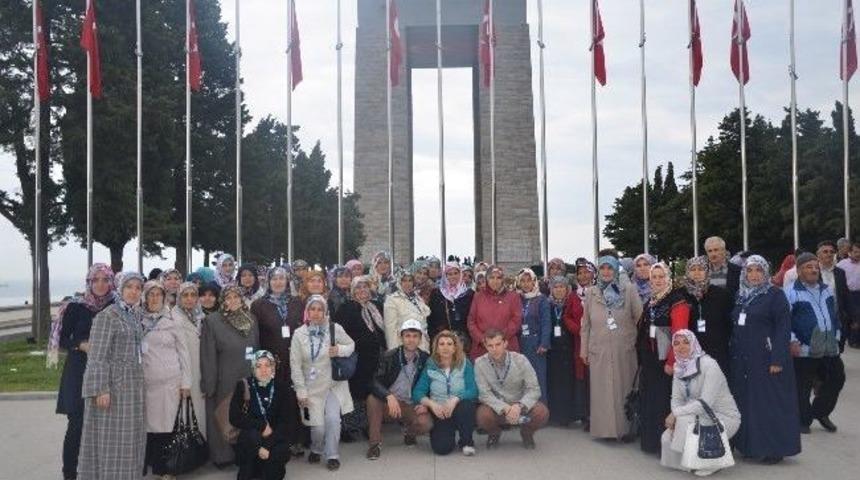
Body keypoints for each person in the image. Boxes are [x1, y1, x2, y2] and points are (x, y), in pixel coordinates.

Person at [728, 255, 801, 463]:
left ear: (766, 272)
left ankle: (773, 449)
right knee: (748, 403)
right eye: (749, 270)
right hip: (744, 360)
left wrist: (777, 359)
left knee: (769, 403)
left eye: (758, 270)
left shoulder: (775, 295)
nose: (754, 275)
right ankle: (749, 445)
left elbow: (783, 329)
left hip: (766, 358)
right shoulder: (740, 295)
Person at [78, 272, 147, 480]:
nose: (133, 292)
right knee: (112, 440)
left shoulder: (134, 315)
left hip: (132, 386)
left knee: (130, 439)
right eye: (129, 287)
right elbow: (97, 356)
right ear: (120, 289)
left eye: (138, 288)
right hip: (113, 387)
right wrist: (101, 389)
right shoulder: (107, 316)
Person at [54, 264, 115, 480]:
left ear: (111, 282)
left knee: (104, 425)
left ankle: (97, 470)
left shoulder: (116, 306)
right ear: (88, 282)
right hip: (78, 370)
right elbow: (62, 339)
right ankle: (70, 473)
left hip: (106, 371)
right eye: (95, 280)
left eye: (105, 280)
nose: (100, 284)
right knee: (77, 425)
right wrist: (81, 344)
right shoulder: (76, 307)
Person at [660, 330, 740, 476]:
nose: (681, 347)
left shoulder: (709, 365)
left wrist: (676, 414)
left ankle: (711, 460)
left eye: (686, 342)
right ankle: (693, 460)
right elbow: (676, 399)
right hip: (696, 414)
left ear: (694, 344)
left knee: (683, 423)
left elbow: (705, 403)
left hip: (723, 417)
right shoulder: (679, 367)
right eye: (676, 343)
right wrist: (676, 414)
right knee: (667, 436)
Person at [580, 256, 643, 441]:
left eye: (610, 268)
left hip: (623, 350)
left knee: (624, 389)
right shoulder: (591, 293)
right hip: (599, 350)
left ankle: (625, 429)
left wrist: (633, 341)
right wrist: (584, 350)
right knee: (602, 392)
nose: (606, 272)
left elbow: (640, 318)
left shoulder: (628, 290)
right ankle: (604, 431)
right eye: (603, 268)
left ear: (616, 270)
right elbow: (586, 325)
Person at [291, 295, 356, 471]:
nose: (316, 313)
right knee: (318, 427)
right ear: (307, 311)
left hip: (333, 385)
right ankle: (316, 448)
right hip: (311, 388)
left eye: (320, 309)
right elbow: (295, 365)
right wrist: (301, 391)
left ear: (325, 311)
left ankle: (332, 455)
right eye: (312, 309)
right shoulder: (299, 334)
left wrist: (339, 350)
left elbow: (351, 345)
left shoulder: (335, 328)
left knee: (333, 420)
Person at [201, 285, 261, 467]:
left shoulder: (251, 319)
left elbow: (256, 347)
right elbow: (208, 355)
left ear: (242, 299)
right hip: (224, 378)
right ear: (223, 300)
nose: (233, 301)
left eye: (236, 297)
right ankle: (222, 456)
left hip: (247, 375)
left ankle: (244, 454)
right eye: (228, 297)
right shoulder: (212, 321)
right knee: (223, 416)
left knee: (245, 416)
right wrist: (209, 384)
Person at [786, 252, 845, 434]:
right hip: (804, 348)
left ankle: (820, 412)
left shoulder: (826, 289)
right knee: (803, 386)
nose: (813, 270)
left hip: (829, 347)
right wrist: (792, 340)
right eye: (808, 267)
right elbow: (783, 321)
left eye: (815, 267)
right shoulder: (790, 292)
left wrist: (837, 335)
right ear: (799, 271)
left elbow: (834, 315)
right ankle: (803, 421)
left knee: (837, 378)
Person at [139, 281, 193, 478]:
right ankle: (149, 463)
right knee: (148, 426)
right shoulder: (138, 320)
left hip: (169, 383)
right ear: (145, 297)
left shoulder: (173, 320)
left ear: (164, 297)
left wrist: (186, 383)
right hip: (145, 383)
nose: (154, 298)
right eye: (151, 294)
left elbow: (183, 353)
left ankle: (165, 468)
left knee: (166, 426)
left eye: (158, 294)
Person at [636, 262, 691, 454]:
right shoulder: (651, 301)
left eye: (661, 277)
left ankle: (665, 446)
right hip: (650, 360)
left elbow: (680, 334)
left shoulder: (677, 302)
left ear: (668, 279)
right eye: (654, 277)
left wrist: (671, 361)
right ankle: (651, 442)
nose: (658, 281)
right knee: (651, 400)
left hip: (665, 362)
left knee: (663, 401)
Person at [251, 267, 305, 454]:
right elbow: (255, 335)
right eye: (274, 278)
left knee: (294, 399)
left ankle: (296, 439)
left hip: (294, 360)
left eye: (282, 278)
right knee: (274, 401)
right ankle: (275, 442)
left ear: (288, 281)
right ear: (268, 281)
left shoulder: (297, 303)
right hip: (271, 362)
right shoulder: (258, 305)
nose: (278, 282)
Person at [366, 319, 433, 460]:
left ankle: (410, 433)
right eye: (407, 336)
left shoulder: (425, 358)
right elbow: (374, 382)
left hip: (411, 404)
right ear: (401, 337)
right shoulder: (389, 356)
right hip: (391, 404)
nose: (411, 340)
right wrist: (388, 396)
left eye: (415, 336)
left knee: (426, 423)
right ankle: (374, 444)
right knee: (372, 399)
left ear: (420, 339)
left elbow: (430, 385)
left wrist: (425, 403)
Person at [475, 329, 549, 449]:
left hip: (520, 405)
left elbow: (534, 389)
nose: (494, 349)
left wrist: (519, 406)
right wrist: (505, 408)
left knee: (541, 412)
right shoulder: (479, 363)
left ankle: (526, 433)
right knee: (482, 415)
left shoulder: (521, 360)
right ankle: (494, 433)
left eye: (498, 344)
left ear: (505, 343)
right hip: (497, 407)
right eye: (490, 346)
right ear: (485, 346)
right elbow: (484, 394)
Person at [334, 276, 387, 441]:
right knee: (354, 392)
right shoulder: (347, 308)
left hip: (376, 357)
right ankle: (348, 427)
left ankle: (367, 425)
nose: (362, 290)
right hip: (356, 357)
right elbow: (339, 333)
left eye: (365, 287)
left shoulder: (376, 306)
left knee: (369, 392)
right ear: (352, 290)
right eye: (358, 287)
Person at [412, 331, 479, 456]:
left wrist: (455, 399)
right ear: (436, 348)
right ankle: (448, 434)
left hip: (459, 407)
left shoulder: (465, 363)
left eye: (449, 344)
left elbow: (473, 390)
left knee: (467, 405)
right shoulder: (430, 365)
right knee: (442, 449)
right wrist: (431, 404)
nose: (445, 347)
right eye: (441, 344)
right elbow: (417, 392)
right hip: (440, 410)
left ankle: (466, 442)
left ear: (455, 348)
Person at [229, 351, 292, 480]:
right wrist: (262, 425)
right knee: (251, 436)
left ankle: (266, 467)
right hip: (252, 440)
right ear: (253, 368)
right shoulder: (244, 386)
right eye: (258, 366)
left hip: (274, 438)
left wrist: (267, 446)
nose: (263, 370)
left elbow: (286, 423)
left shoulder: (283, 388)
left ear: (273, 367)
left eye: (267, 365)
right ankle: (250, 467)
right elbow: (234, 417)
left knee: (275, 469)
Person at [545, 276, 586, 426]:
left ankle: (568, 416)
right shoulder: (547, 305)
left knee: (568, 382)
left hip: (569, 349)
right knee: (554, 382)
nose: (559, 290)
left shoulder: (572, 303)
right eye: (556, 287)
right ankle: (555, 415)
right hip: (552, 350)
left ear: (567, 289)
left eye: (562, 287)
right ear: (551, 289)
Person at [682, 256, 734, 375]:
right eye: (693, 269)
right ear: (688, 272)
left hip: (717, 350)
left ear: (707, 271)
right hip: (691, 351)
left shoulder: (722, 294)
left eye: (700, 269)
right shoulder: (680, 295)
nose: (697, 273)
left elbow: (729, 323)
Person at [171, 281, 207, 438]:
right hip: (184, 372)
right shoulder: (174, 317)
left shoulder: (200, 316)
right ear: (179, 297)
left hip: (199, 369)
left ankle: (201, 445)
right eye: (185, 295)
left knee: (200, 409)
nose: (189, 299)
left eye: (193, 295)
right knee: (186, 411)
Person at [467, 266, 523, 359]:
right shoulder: (478, 297)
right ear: (487, 279)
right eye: (492, 277)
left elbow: (516, 320)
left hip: (506, 346)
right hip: (483, 347)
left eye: (498, 278)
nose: (495, 281)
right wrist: (482, 339)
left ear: (503, 279)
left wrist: (499, 339)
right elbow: (471, 321)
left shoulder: (513, 297)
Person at [516, 268, 551, 401]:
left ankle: (541, 409)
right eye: (523, 281)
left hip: (536, 345)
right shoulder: (518, 299)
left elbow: (546, 322)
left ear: (534, 281)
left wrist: (544, 343)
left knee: (538, 378)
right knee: (522, 379)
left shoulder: (541, 299)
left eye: (528, 280)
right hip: (521, 344)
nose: (526, 284)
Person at [428, 262, 476, 354]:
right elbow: (431, 319)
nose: (453, 276)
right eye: (449, 274)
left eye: (455, 273)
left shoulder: (469, 294)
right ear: (445, 276)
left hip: (463, 341)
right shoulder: (437, 293)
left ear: (460, 274)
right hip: (442, 340)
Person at [384, 271, 431, 351]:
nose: (407, 283)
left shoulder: (417, 298)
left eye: (410, 280)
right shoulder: (392, 299)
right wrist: (394, 351)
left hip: (422, 344)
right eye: (404, 281)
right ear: (399, 282)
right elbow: (390, 329)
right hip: (404, 345)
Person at [836, 242, 860, 348]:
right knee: (848, 317)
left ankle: (854, 340)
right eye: (856, 252)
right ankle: (848, 337)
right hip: (847, 294)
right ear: (850, 252)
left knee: (857, 317)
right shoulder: (842, 264)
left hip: (859, 293)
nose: (858, 254)